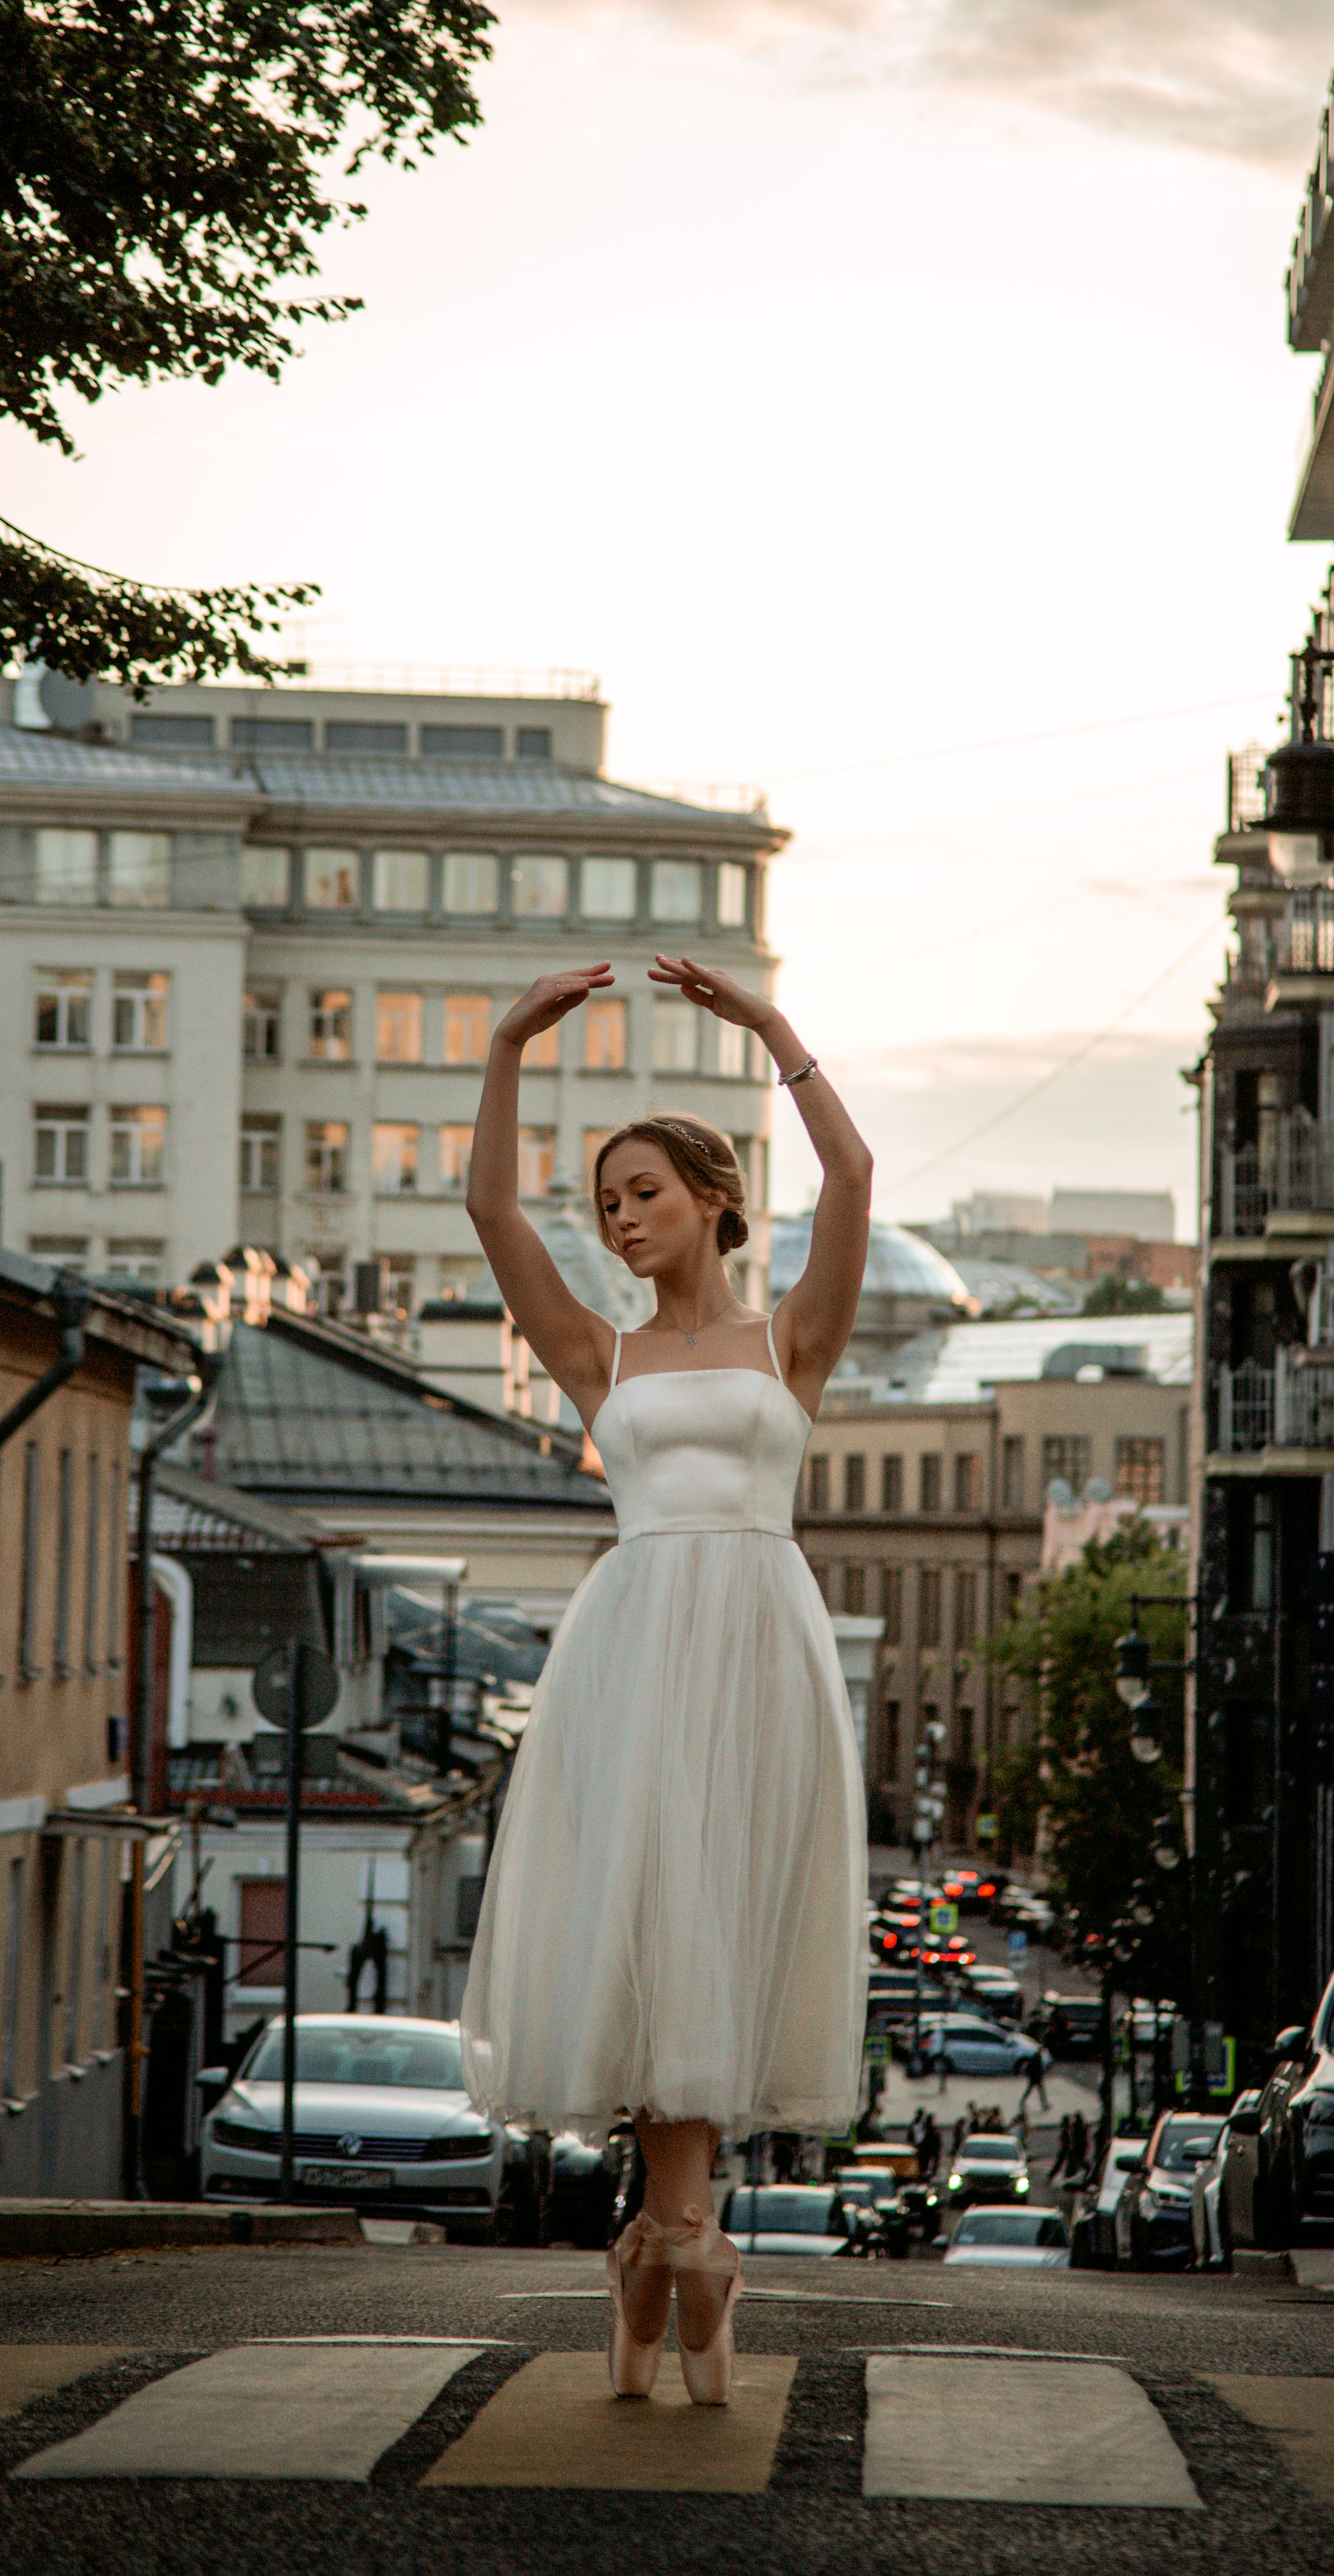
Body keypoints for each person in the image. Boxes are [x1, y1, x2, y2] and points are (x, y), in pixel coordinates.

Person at [459, 954, 872, 2408]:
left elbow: (851, 1168)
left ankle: (662, 2242)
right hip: (633, 1650)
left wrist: (768, 1025)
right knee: (648, 1919)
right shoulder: (596, 1356)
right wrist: (507, 1043)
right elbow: (492, 1214)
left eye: (640, 1191)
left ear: (706, 1192)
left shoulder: (791, 1339)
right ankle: (681, 2238)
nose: (619, 1218)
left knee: (723, 1924)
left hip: (759, 1645)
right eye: (605, 1203)